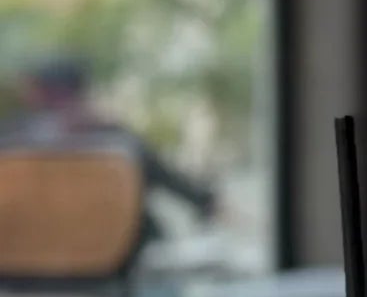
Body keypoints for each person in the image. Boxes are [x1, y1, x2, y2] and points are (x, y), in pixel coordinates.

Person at [0, 56, 217, 227]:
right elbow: (174, 183)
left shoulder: (11, 138)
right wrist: (207, 203)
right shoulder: (121, 141)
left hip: (22, 261)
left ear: (40, 92)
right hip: (113, 262)